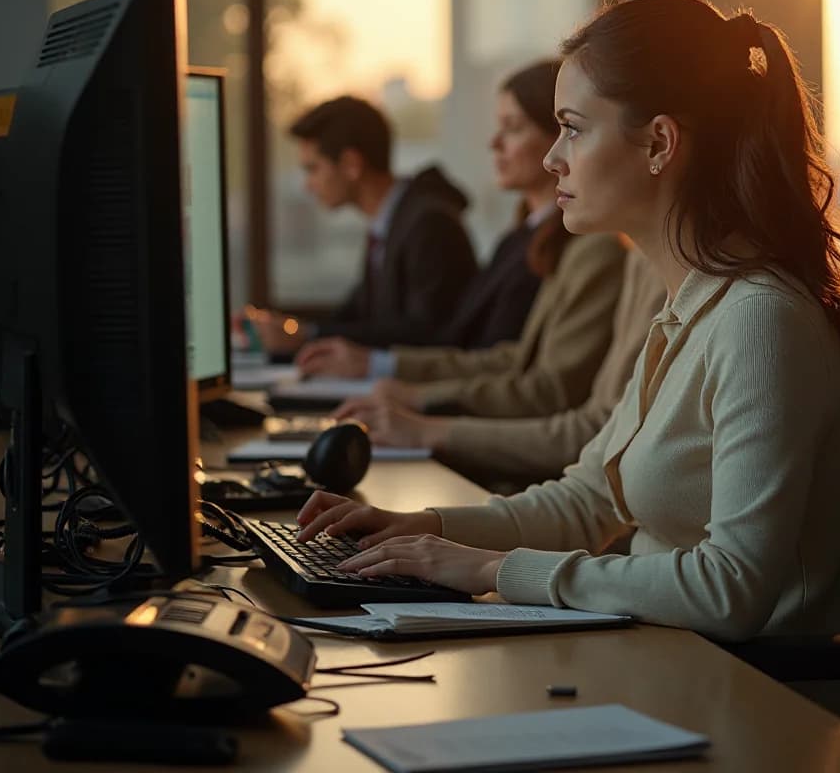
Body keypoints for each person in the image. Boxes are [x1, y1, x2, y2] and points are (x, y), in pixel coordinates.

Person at [295, 0, 840, 641]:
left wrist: (495, 569)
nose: (554, 156)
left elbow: (732, 590)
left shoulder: (759, 323)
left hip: (762, 705)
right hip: (672, 665)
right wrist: (424, 526)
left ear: (660, 144)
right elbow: (587, 501)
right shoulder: (688, 306)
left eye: (573, 128)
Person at [296, 60, 567, 381]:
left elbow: (460, 343)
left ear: (559, 139)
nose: (494, 143)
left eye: (514, 127)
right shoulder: (518, 238)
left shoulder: (431, 224)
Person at [332, 247, 665, 492]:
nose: (554, 161)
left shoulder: (606, 254)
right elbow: (519, 360)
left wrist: (425, 423)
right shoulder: (635, 257)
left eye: (576, 145)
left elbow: (581, 423)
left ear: (657, 149)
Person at [251, 95, 477, 353]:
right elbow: (356, 315)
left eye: (313, 169)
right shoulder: (389, 224)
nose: (308, 185)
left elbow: (426, 333)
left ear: (350, 164)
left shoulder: (429, 225)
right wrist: (291, 329)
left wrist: (307, 334)